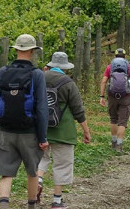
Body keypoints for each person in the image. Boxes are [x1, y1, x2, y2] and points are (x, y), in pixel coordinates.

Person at [0, 34, 49, 209]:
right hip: (29, 132)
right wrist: (42, 137)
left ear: (16, 50)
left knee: (6, 174)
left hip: (5, 130)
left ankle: (4, 205)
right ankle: (31, 206)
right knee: (32, 172)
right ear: (31, 51)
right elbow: (42, 108)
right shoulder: (37, 74)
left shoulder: (3, 72)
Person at [37, 52, 91, 208]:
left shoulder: (39, 78)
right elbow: (78, 110)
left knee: (41, 159)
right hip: (64, 131)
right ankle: (57, 200)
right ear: (65, 67)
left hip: (41, 129)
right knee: (62, 165)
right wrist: (86, 131)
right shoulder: (68, 83)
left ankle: (38, 181)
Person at [99, 48, 130, 152]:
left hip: (112, 96)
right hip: (126, 96)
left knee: (113, 119)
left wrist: (101, 96)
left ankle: (113, 142)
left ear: (114, 56)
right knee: (122, 121)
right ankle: (119, 145)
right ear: (125, 57)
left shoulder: (109, 67)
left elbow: (103, 81)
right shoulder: (129, 67)